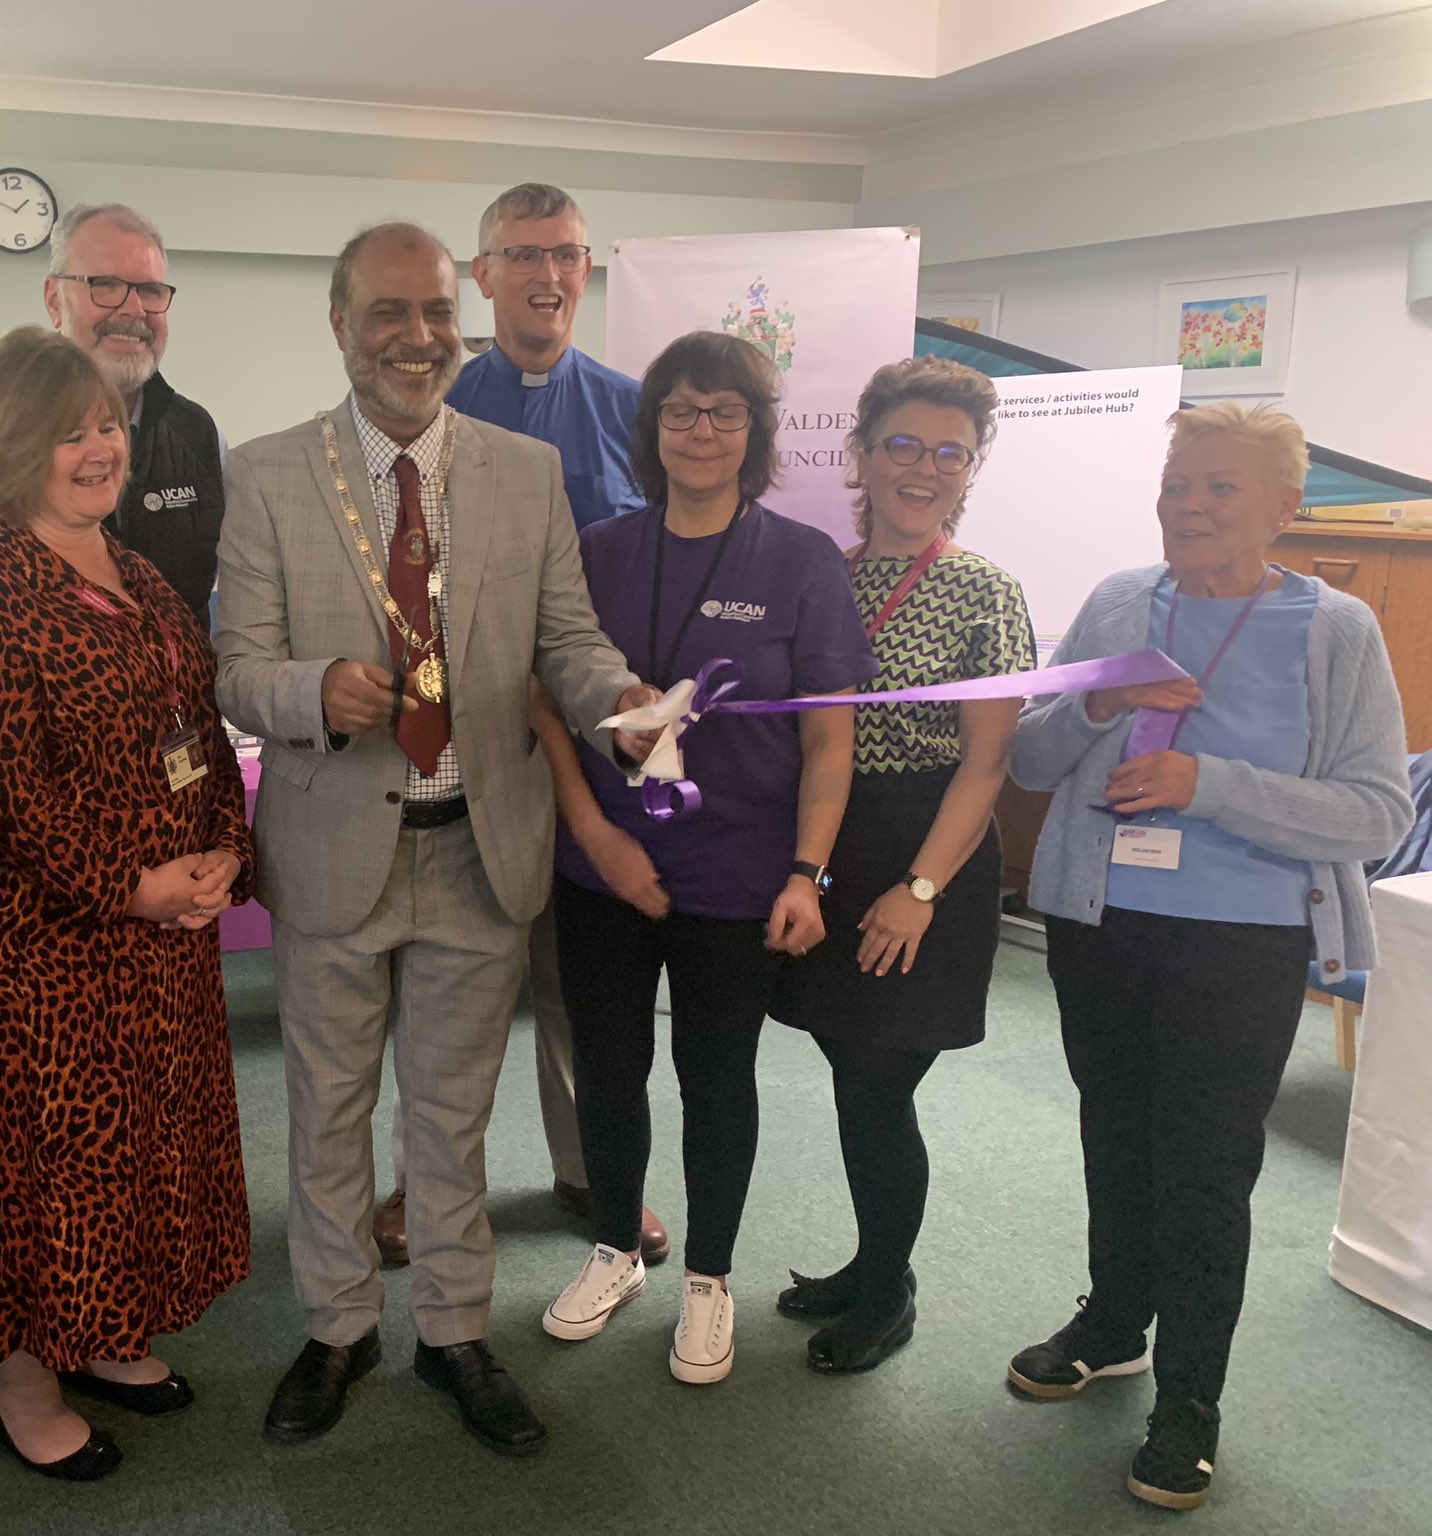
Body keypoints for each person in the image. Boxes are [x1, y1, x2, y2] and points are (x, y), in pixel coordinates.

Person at [215, 222, 661, 1457]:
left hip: (479, 846)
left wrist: (618, 704)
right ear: (339, 324)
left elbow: (566, 641)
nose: (414, 338)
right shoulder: (267, 473)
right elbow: (235, 668)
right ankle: (337, 1328)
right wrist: (313, 691)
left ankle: (454, 1333)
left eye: (431, 314)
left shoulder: (524, 472)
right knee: (326, 1111)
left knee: (450, 1119)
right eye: (385, 313)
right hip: (332, 847)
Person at [1006, 402, 1411, 1511]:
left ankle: (1189, 1398)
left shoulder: (1334, 631)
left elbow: (1376, 812)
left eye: (1219, 486)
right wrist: (1102, 703)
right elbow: (1032, 760)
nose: (1188, 505)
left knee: (1203, 1169)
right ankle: (1111, 1324)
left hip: (1244, 942)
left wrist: (1208, 785)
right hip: (1100, 924)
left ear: (1283, 507)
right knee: (1113, 1131)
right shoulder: (1116, 601)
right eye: (1176, 483)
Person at [0, 324, 252, 1484]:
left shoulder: (138, 574)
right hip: (24, 949)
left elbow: (199, 730)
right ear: (9, 450)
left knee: (129, 1150)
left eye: (106, 425)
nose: (100, 448)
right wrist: (129, 884)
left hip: (153, 935)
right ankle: (19, 1384)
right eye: (68, 433)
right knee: (31, 1168)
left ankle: (104, 1328)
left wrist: (221, 850)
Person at [534, 330, 875, 1385]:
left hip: (737, 873)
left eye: (725, 411)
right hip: (601, 870)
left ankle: (708, 1279)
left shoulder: (801, 561)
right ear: (651, 430)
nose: (700, 430)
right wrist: (594, 836)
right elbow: (545, 703)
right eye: (678, 410)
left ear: (756, 432)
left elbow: (829, 740)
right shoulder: (597, 549)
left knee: (716, 1079)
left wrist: (807, 873)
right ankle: (615, 1249)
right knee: (607, 1070)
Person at [362, 183, 664, 1270]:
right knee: (447, 991)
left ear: (587, 270)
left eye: (567, 254)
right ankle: (424, 1182)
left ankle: (595, 1175)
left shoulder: (637, 413)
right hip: (468, 746)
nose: (548, 275)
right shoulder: (426, 404)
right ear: (482, 274)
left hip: (595, 744)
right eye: (524, 255)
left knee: (580, 988)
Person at [768, 357, 1034, 1373]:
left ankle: (888, 1292)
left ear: (969, 472)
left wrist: (919, 889)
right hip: (834, 844)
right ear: (862, 453)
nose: (924, 469)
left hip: (931, 855)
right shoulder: (822, 575)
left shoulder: (983, 590)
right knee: (851, 1072)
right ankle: (872, 1260)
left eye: (949, 454)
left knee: (880, 1082)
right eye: (905, 446)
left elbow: (987, 763)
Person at [0, 202, 225, 625]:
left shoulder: (200, 437)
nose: (134, 309)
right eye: (106, 285)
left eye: (150, 290)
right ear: (54, 299)